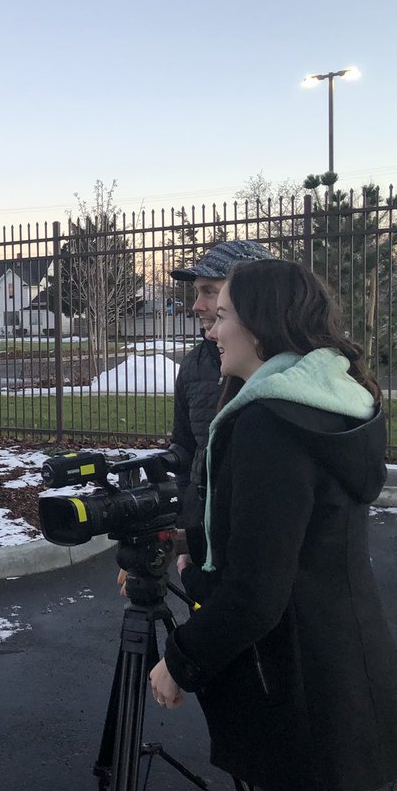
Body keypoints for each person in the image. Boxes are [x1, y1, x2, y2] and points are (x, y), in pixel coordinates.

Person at [149, 259, 397, 791]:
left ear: (262, 327)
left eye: (222, 315)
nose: (211, 330)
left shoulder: (269, 424)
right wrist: (202, 571)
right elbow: (295, 554)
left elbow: (257, 593)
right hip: (341, 677)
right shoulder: (329, 404)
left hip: (302, 702)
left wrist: (179, 661)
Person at [167, 239, 274, 562]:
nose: (197, 306)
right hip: (206, 538)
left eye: (210, 292)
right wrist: (188, 533)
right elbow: (185, 450)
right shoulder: (194, 365)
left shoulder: (288, 375)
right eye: (197, 292)